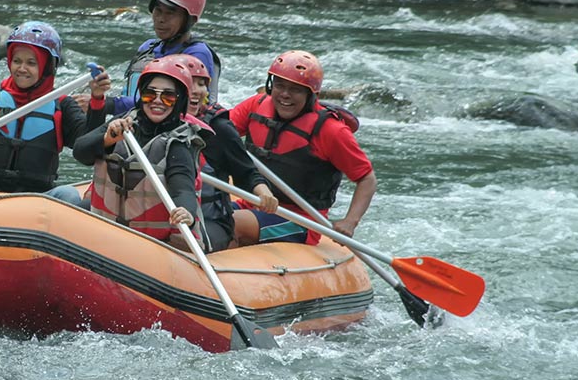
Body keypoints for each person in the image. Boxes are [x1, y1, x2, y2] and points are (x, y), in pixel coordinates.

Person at [0, 21, 111, 204]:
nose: (22, 69)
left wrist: (97, 100)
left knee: (69, 194)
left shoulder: (61, 105)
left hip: (38, 198)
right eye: (17, 61)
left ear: (47, 66)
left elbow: (88, 148)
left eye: (31, 62)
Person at [228, 50, 376, 246]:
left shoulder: (331, 131)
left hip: (299, 221)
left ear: (311, 94)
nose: (285, 95)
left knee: (228, 222)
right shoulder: (256, 105)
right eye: (280, 86)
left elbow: (367, 178)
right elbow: (218, 134)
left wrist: (350, 222)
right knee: (205, 212)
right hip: (251, 204)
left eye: (296, 89)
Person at [73, 57, 209, 250]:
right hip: (107, 234)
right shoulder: (123, 122)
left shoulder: (179, 142)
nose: (157, 102)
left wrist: (186, 211)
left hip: (158, 246)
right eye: (149, 94)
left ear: (180, 101)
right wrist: (109, 138)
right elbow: (81, 152)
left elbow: (183, 187)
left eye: (168, 97)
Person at [179, 54, 279, 251]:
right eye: (190, 82)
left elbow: (246, 171)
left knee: (181, 244)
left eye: (201, 84)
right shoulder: (152, 121)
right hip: (163, 216)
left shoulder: (218, 128)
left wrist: (263, 191)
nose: (196, 90)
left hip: (210, 219)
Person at [108, 0, 222, 114]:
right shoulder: (147, 48)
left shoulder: (197, 54)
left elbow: (178, 104)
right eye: (158, 10)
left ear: (189, 20)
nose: (161, 19)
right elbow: (128, 94)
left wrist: (110, 104)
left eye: (170, 13)